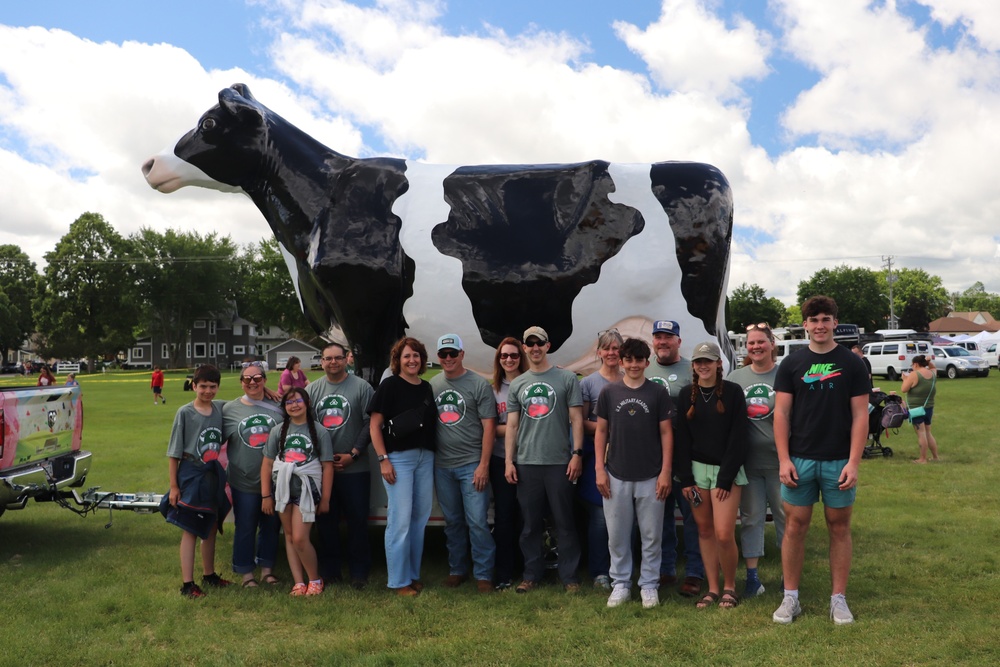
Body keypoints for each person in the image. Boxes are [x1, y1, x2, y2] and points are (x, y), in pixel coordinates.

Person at [772, 295, 869, 625]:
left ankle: (838, 600)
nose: (820, 325)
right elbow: (781, 414)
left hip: (838, 461)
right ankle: (791, 598)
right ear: (805, 325)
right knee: (795, 527)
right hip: (799, 460)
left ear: (834, 323)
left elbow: (860, 417)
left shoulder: (853, 363)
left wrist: (854, 462)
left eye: (826, 319)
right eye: (814, 320)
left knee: (839, 528)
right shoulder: (792, 364)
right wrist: (784, 459)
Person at [595, 337, 675, 609]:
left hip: (651, 474)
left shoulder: (657, 393)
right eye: (628, 360)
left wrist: (666, 472)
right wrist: (599, 469)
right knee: (617, 534)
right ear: (621, 360)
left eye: (638, 360)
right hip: (616, 473)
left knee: (652, 535)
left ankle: (649, 584)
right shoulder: (609, 392)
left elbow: (666, 433)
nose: (633, 365)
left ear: (646, 362)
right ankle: (620, 583)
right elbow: (601, 432)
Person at [504, 326, 584, 594]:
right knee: (530, 525)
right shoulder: (518, 384)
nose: (535, 348)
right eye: (530, 343)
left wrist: (577, 454)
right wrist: (508, 461)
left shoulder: (566, 379)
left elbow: (576, 419)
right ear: (525, 348)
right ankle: (531, 574)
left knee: (565, 522)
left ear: (548, 346)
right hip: (527, 463)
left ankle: (569, 576)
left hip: (560, 462)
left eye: (540, 343)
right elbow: (512, 426)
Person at [674, 341, 749, 609]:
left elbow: (739, 437)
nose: (703, 365)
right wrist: (686, 479)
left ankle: (730, 587)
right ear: (693, 366)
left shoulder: (733, 392)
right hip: (696, 473)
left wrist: (725, 479)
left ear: (719, 363)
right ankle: (713, 588)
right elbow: (681, 439)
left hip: (726, 472)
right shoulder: (686, 395)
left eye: (708, 360)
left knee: (724, 533)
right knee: (704, 531)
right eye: (698, 361)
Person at [369, 337, 438, 596]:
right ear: (398, 360)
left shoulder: (427, 388)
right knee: (400, 520)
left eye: (416, 356)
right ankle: (398, 582)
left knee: (419, 519)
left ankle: (412, 575)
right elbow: (375, 426)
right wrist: (383, 459)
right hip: (398, 459)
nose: (412, 360)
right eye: (407, 356)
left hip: (425, 457)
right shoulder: (389, 386)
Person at [430, 333, 497, 593]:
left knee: (478, 521)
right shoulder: (433, 385)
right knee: (453, 521)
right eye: (443, 355)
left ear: (462, 355)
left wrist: (483, 464)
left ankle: (483, 574)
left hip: (472, 464)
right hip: (442, 465)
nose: (448, 359)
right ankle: (457, 569)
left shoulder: (479, 385)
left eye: (453, 354)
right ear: (438, 358)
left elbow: (489, 427)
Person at [644, 319, 705, 598]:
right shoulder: (644, 368)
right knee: (659, 517)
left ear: (679, 341)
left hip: (686, 458)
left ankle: (694, 572)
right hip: (650, 457)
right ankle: (664, 568)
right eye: (658, 337)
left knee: (693, 516)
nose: (663, 342)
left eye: (669, 337)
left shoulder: (693, 369)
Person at [308, 342, 375, 589]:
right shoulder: (312, 390)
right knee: (325, 521)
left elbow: (370, 423)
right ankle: (330, 570)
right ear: (321, 361)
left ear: (346, 360)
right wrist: (322, 458)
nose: (333, 362)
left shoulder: (361, 387)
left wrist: (354, 454)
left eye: (338, 358)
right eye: (328, 358)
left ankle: (359, 572)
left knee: (358, 522)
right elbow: (304, 425)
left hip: (355, 468)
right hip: (322, 470)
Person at [161, 364, 231, 598]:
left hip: (212, 474)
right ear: (194, 386)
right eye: (203, 386)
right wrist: (174, 486)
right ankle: (187, 583)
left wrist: (270, 391)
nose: (208, 391)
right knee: (190, 528)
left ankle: (209, 574)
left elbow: (246, 401)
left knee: (210, 525)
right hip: (191, 474)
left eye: (212, 387)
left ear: (218, 387)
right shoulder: (185, 412)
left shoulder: (220, 408)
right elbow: (174, 452)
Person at [727, 323, 786, 598]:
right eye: (751, 343)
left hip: (781, 462)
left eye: (761, 342)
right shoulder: (736, 378)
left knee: (787, 518)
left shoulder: (785, 375)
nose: (756, 347)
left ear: (772, 344)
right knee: (751, 519)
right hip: (748, 464)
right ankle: (752, 577)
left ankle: (790, 575)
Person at [261, 388, 334, 596]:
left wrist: (326, 498)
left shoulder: (319, 431)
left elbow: (327, 466)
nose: (294, 405)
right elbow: (267, 464)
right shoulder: (278, 431)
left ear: (307, 402)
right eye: (289, 403)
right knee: (290, 536)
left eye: (298, 401)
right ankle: (299, 582)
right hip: (283, 491)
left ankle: (314, 579)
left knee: (301, 538)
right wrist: (266, 495)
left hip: (307, 491)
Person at [223, 362, 283, 588]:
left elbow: (301, 408)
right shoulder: (229, 409)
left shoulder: (278, 404)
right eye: (247, 379)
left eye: (257, 378)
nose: (252, 383)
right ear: (241, 383)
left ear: (265, 381)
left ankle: (267, 570)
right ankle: (246, 574)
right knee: (245, 526)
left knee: (271, 525)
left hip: (274, 481)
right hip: (244, 480)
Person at [579, 328, 623, 590]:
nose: (611, 353)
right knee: (599, 518)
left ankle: (623, 569)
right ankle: (599, 572)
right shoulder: (588, 383)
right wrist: (609, 428)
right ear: (599, 353)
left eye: (616, 348)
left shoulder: (630, 378)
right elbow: (582, 422)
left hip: (627, 457)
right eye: (606, 348)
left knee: (626, 517)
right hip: (599, 457)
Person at [490, 336, 527, 590]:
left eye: (514, 355)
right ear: (498, 359)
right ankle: (503, 572)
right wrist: (515, 428)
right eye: (504, 356)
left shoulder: (531, 383)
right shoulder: (493, 389)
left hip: (530, 460)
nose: (509, 360)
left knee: (528, 518)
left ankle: (528, 570)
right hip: (501, 458)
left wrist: (511, 427)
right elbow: (490, 428)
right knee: (503, 517)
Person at [901, 355, 939, 464]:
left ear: (916, 364)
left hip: (916, 408)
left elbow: (904, 389)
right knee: (928, 432)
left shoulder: (914, 374)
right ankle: (935, 457)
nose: (912, 367)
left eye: (912, 365)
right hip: (929, 406)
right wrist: (928, 361)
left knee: (921, 433)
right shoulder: (932, 373)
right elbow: (933, 367)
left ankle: (922, 459)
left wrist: (905, 379)